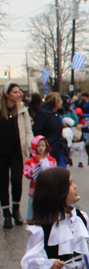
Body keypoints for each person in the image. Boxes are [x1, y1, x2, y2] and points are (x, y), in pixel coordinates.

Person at [0, 82, 33, 228]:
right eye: (14, 92)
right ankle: (6, 213)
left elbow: (28, 131)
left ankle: (16, 210)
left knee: (16, 181)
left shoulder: (22, 110)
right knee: (2, 184)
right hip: (1, 153)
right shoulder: (1, 110)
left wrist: (30, 147)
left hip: (17, 153)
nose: (18, 94)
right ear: (7, 94)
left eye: (19, 91)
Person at [23, 136, 57, 220]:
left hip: (48, 187)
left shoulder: (51, 160)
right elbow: (26, 172)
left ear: (46, 146)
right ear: (34, 147)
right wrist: (31, 172)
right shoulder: (30, 161)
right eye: (38, 146)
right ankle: (31, 219)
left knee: (47, 203)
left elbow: (55, 172)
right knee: (32, 203)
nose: (41, 148)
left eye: (43, 145)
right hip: (35, 187)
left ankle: (48, 218)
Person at [33, 92, 66, 166]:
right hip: (48, 148)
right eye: (60, 100)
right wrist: (43, 145)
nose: (61, 102)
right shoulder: (43, 113)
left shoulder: (54, 113)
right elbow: (37, 130)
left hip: (58, 147)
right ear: (55, 101)